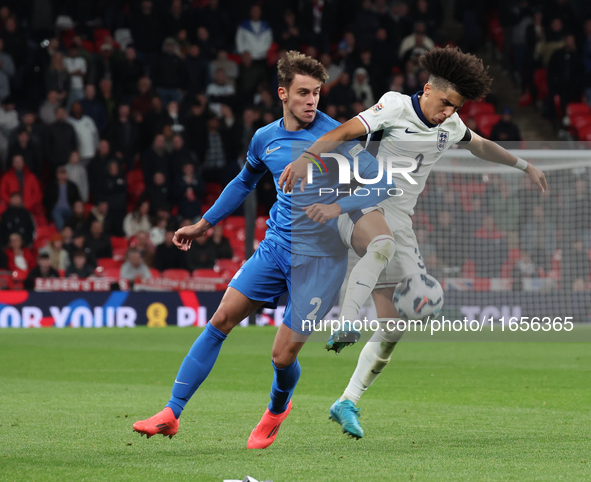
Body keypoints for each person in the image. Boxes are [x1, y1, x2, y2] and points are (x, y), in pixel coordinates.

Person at [279, 46, 548, 439]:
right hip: (362, 205)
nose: (448, 113)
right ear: (427, 89)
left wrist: (524, 165)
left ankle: (347, 401)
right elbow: (342, 131)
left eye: (455, 108)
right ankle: (347, 319)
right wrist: (307, 156)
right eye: (444, 104)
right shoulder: (394, 107)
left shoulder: (450, 126)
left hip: (400, 222)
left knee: (393, 327)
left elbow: (480, 144)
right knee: (380, 245)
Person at [132, 51, 392, 448]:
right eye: (303, 93)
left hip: (320, 262)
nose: (311, 101)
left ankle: (276, 409)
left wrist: (339, 206)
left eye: (317, 93)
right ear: (283, 94)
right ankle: (172, 412)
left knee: (282, 357)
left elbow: (382, 183)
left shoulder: (336, 137)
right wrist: (204, 224)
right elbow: (243, 181)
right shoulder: (265, 138)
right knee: (220, 320)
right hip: (276, 247)